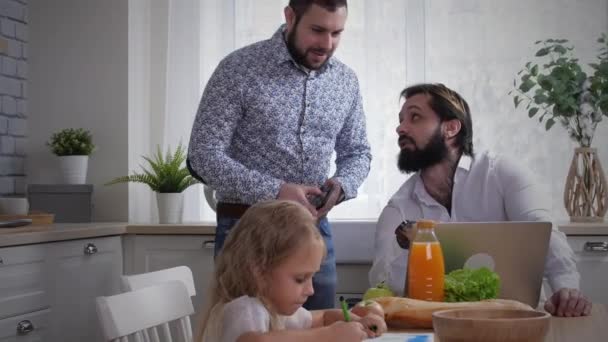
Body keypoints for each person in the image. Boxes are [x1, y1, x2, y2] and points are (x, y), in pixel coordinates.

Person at [188, 0, 371, 310]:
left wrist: (341, 186)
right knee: (247, 332)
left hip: (313, 231)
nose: (327, 44)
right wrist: (276, 191)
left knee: (319, 331)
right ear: (290, 17)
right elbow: (202, 157)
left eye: (337, 33)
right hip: (246, 232)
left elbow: (358, 153)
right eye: (317, 30)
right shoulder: (238, 69)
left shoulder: (346, 81)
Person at [369, 83, 592, 317]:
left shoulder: (502, 174)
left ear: (451, 128)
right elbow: (382, 284)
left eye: (415, 117)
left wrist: (567, 291)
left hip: (516, 320)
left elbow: (543, 231)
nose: (400, 128)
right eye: (400, 119)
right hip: (434, 325)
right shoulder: (398, 208)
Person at [196, 200, 386, 342]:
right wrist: (328, 336)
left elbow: (319, 318)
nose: (311, 290)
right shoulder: (244, 308)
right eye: (300, 279)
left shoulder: (271, 306)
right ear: (259, 272)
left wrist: (354, 320)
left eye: (312, 277)